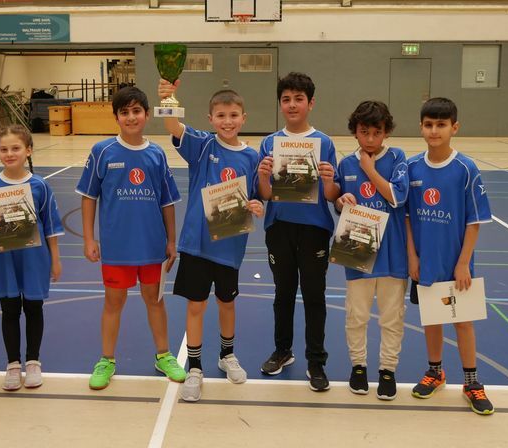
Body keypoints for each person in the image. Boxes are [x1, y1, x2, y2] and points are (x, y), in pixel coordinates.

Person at [158, 79, 264, 402]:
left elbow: (256, 196)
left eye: (233, 115)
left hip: (229, 247)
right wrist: (168, 99)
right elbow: (173, 126)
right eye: (221, 115)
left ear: (244, 118)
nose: (227, 121)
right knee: (196, 305)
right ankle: (194, 368)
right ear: (210, 119)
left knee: (227, 303)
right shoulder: (203, 146)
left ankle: (227, 355)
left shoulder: (252, 157)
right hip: (197, 245)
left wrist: (257, 206)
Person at [75, 86, 186, 390]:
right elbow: (88, 197)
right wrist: (89, 239)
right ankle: (106, 360)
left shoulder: (156, 154)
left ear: (147, 115)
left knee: (155, 301)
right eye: (124, 112)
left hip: (152, 246)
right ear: (116, 117)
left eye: (137, 111)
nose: (131, 117)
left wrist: (171, 241)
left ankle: (164, 355)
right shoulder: (102, 151)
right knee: (114, 302)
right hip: (117, 247)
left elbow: (167, 202)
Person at [406, 97, 494, 415]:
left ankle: (471, 382)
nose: (434, 131)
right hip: (425, 261)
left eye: (441, 125)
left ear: (454, 127)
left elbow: (474, 220)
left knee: (462, 322)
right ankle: (435, 372)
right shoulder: (412, 167)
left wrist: (463, 262)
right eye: (429, 125)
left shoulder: (465, 169)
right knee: (432, 319)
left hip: (457, 264)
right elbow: (406, 217)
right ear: (421, 127)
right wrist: (412, 257)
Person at [256, 72, 340, 391]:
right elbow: (265, 194)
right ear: (280, 104)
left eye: (299, 99)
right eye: (286, 99)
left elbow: (331, 196)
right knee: (283, 294)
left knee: (314, 296)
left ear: (311, 103)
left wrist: (329, 180)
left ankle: (316, 361)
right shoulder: (269, 143)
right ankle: (283, 350)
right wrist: (263, 176)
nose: (292, 105)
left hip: (314, 229)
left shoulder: (324, 143)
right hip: (279, 228)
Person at [0, 125, 63, 391]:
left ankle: (33, 362)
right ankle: (13, 364)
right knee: (10, 310)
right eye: (4, 149)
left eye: (16, 148)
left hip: (35, 258)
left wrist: (55, 259)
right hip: (4, 259)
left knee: (34, 308)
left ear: (28, 151)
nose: (9, 153)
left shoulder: (39, 185)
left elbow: (51, 225)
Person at [335, 100, 409, 400]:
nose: (370, 139)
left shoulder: (398, 157)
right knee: (357, 316)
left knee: (392, 317)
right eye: (364, 132)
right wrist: (341, 201)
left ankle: (388, 370)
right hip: (358, 251)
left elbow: (396, 197)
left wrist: (370, 169)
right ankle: (359, 367)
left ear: (386, 132)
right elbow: (338, 199)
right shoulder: (345, 164)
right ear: (354, 131)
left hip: (393, 255)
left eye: (376, 133)